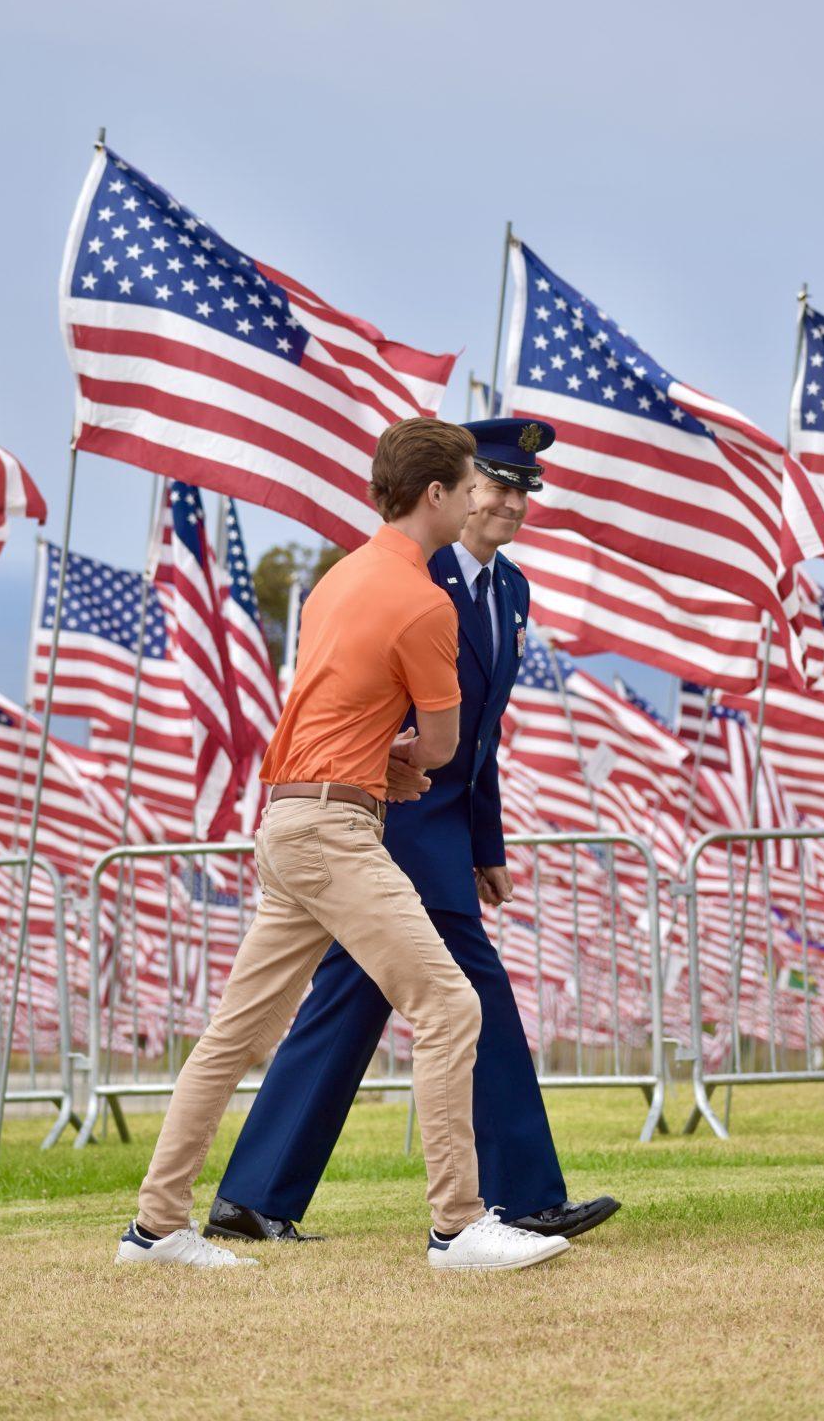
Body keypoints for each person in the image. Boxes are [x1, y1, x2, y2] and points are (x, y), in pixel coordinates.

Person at [115, 417, 570, 1273]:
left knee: (232, 1038)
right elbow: (441, 747)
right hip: (335, 829)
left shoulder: (338, 579)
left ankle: (154, 1228)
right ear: (438, 495)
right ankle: (457, 1227)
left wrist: (383, 762)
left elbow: (342, 707)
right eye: (475, 484)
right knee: (449, 1007)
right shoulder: (424, 603)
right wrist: (399, 765)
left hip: (286, 819)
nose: (486, 497)